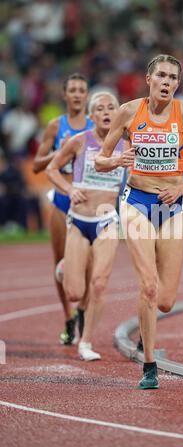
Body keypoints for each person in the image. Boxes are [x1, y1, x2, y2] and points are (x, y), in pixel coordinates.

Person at [95, 54, 183, 389]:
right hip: (136, 201)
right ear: (148, 78)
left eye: (173, 78)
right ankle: (149, 364)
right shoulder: (128, 112)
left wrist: (182, 187)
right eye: (161, 76)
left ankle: (145, 332)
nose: (167, 82)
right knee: (148, 285)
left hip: (173, 207)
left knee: (165, 300)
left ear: (178, 84)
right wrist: (118, 159)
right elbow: (100, 160)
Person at [46, 91, 127, 360]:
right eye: (100, 108)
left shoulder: (126, 145)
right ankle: (63, 269)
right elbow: (51, 169)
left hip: (107, 221)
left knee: (100, 284)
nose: (106, 112)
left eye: (111, 107)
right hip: (79, 221)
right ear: (92, 116)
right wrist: (69, 190)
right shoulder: (80, 141)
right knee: (74, 293)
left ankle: (86, 342)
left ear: (118, 114)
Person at [33, 73, 94, 345]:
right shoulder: (55, 126)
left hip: (87, 200)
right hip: (61, 198)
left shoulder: (96, 126)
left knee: (90, 265)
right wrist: (62, 152)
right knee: (59, 263)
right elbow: (37, 165)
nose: (78, 94)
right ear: (65, 94)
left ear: (87, 94)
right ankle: (68, 317)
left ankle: (82, 310)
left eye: (82, 90)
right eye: (73, 90)